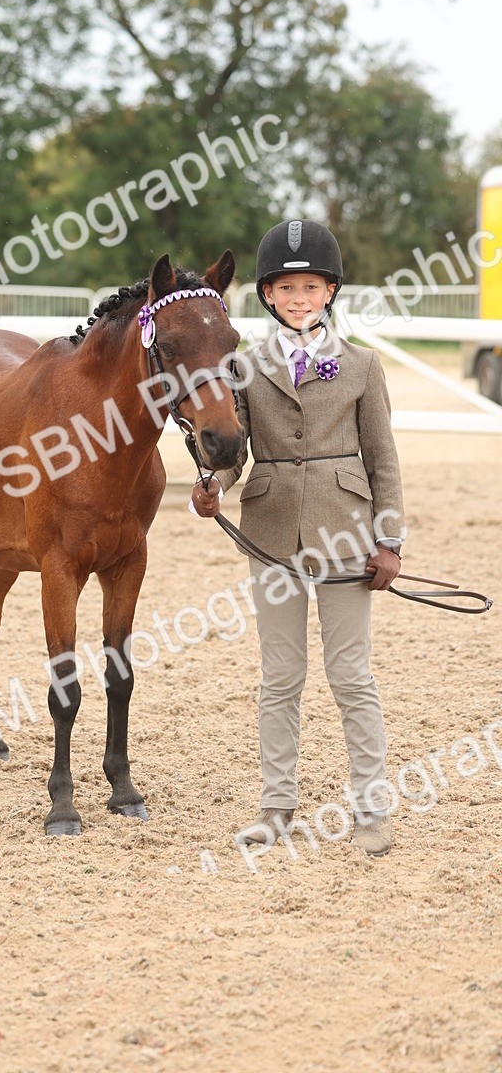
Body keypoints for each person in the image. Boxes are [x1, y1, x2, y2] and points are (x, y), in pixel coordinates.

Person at [191, 219, 405, 856]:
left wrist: (389, 540)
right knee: (280, 677)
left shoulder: (363, 367)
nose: (300, 297)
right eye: (287, 288)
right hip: (271, 533)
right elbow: (237, 449)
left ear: (331, 291)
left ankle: (371, 810)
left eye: (311, 286)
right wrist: (214, 483)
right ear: (267, 295)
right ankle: (276, 807)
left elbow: (384, 458)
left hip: (347, 534)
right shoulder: (246, 366)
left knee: (351, 677)